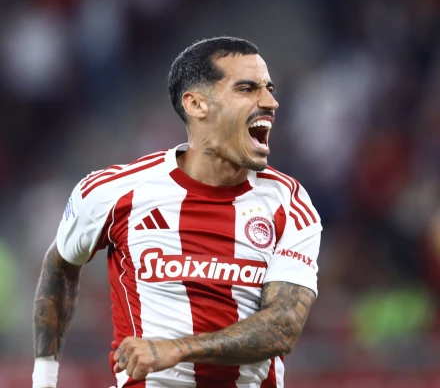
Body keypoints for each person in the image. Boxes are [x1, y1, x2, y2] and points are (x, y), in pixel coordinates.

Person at [33, 36, 322, 388]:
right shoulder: (113, 191)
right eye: (247, 89)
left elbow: (281, 328)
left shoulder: (289, 203)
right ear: (196, 104)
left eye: (269, 89)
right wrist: (44, 378)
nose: (270, 102)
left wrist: (176, 349)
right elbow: (61, 264)